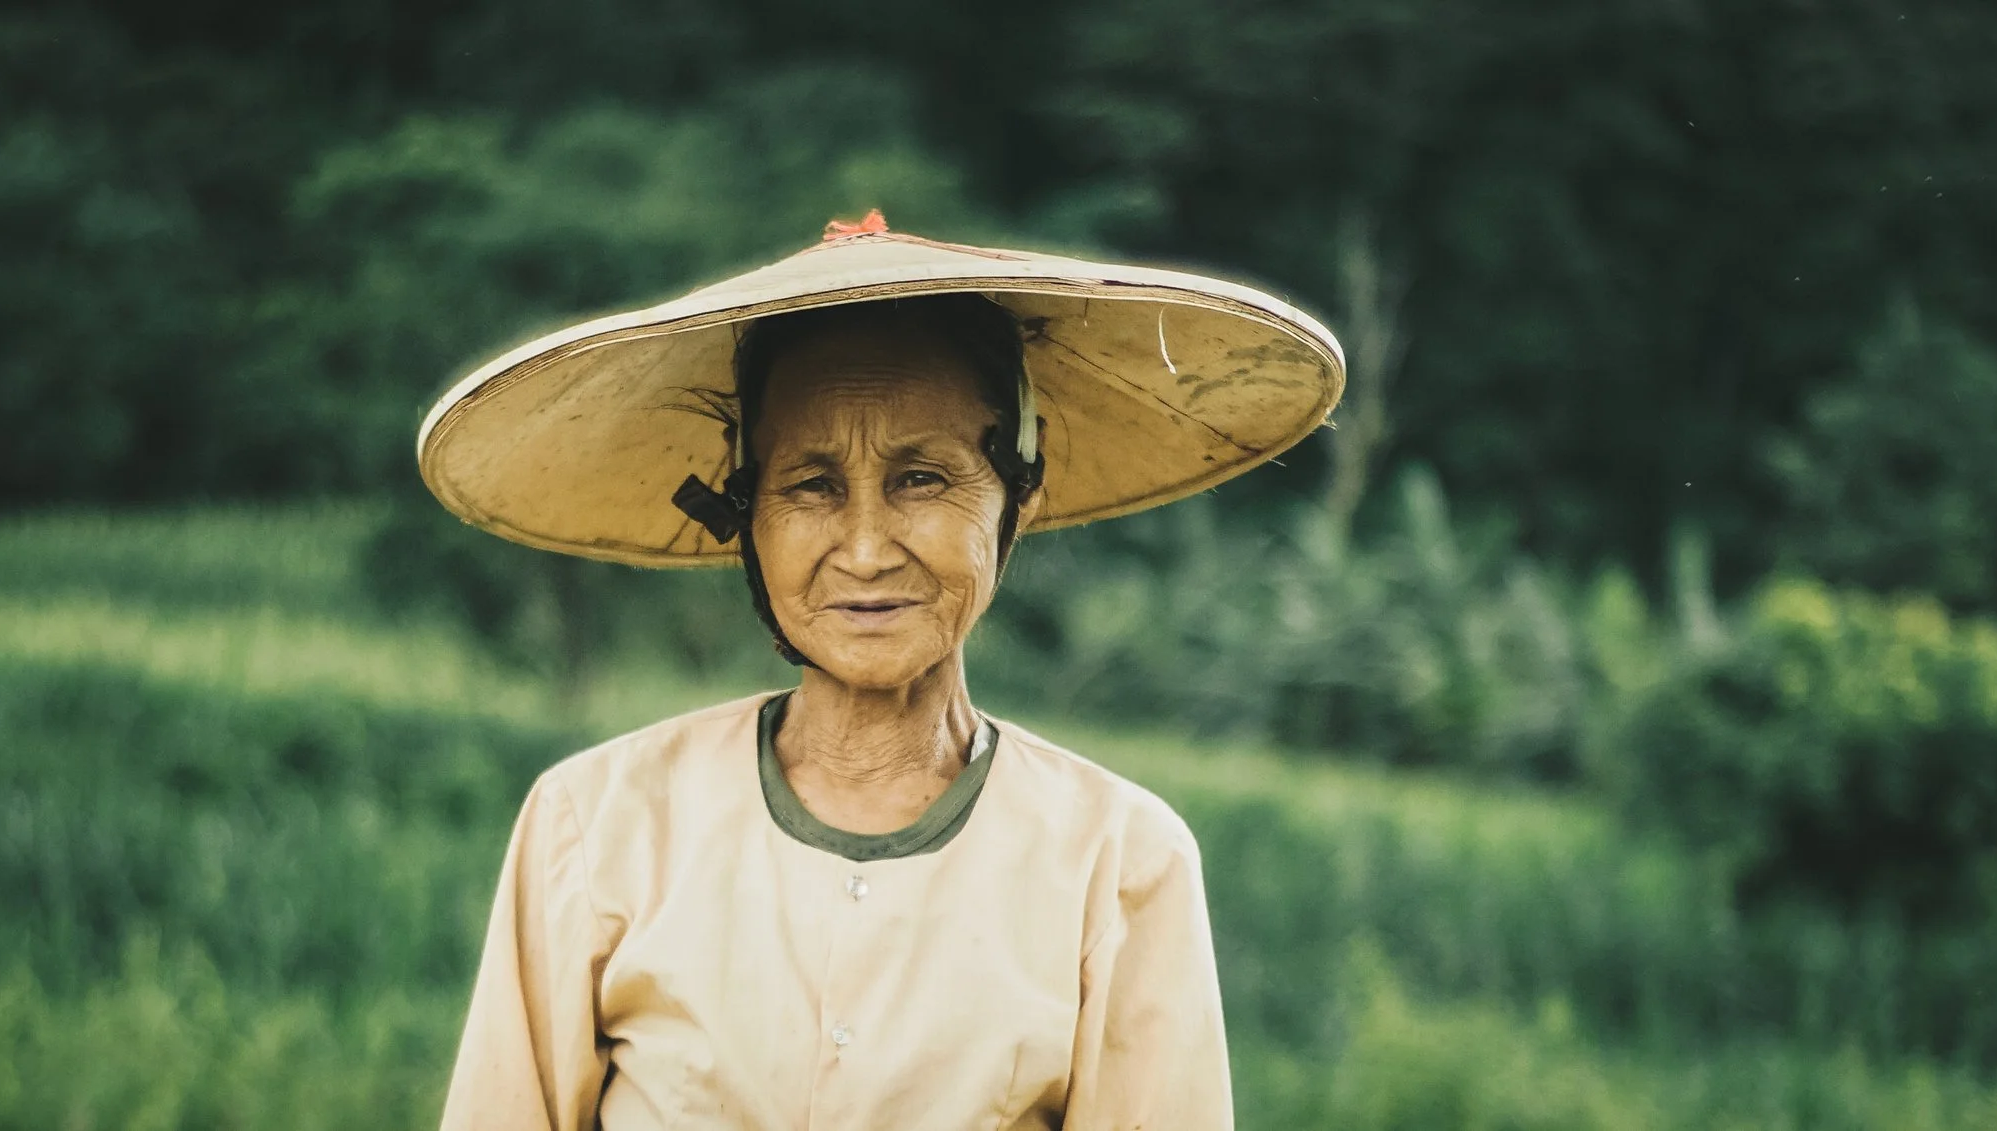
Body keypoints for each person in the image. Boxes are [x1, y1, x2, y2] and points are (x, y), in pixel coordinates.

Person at [419, 211, 1344, 1129]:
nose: (864, 549)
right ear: (745, 515)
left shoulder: (1120, 860)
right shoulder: (594, 825)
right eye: (812, 485)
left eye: (924, 479)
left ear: (1016, 496)